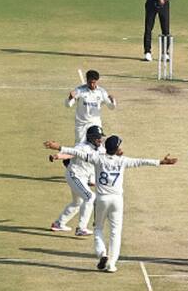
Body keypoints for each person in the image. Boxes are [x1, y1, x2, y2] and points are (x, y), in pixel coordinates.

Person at [54, 135, 177, 273]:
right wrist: (161, 162)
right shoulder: (122, 161)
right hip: (117, 201)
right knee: (115, 232)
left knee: (98, 229)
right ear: (117, 149)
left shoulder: (97, 158)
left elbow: (78, 153)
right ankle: (111, 264)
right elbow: (141, 162)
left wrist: (59, 147)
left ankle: (102, 254)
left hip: (102, 200)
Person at [44, 125, 106, 236]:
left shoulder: (101, 149)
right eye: (98, 137)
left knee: (77, 202)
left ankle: (59, 224)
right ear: (91, 138)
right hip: (74, 175)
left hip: (83, 178)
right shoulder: (81, 147)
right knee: (90, 197)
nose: (100, 140)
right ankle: (81, 228)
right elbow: (71, 153)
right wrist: (58, 156)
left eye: (101, 137)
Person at [65, 70, 116, 144]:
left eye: (94, 82)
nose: (92, 85)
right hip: (81, 124)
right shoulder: (79, 90)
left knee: (97, 144)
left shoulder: (102, 92)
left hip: (95, 123)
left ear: (97, 81)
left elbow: (111, 107)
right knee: (80, 145)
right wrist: (70, 98)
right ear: (87, 80)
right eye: (90, 82)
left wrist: (112, 100)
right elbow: (68, 105)